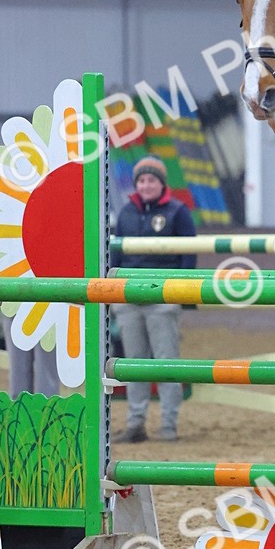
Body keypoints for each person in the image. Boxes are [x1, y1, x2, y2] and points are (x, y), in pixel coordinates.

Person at [111, 156, 196, 443]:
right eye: (142, 180)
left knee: (166, 362)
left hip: (164, 295)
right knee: (134, 363)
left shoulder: (179, 212)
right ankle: (135, 424)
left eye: (152, 180)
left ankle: (168, 425)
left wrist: (181, 293)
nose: (146, 185)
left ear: (162, 183)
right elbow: (115, 258)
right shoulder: (125, 213)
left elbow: (189, 256)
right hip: (129, 296)